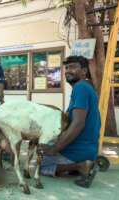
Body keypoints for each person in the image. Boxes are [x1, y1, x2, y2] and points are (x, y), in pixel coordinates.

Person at [37, 56, 101, 188]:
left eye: (73, 67)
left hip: (79, 149)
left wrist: (55, 149)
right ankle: (74, 167)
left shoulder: (81, 87)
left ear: (84, 71)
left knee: (40, 164)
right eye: (66, 67)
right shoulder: (86, 87)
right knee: (47, 145)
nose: (68, 70)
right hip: (88, 147)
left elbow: (78, 124)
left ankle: (81, 165)